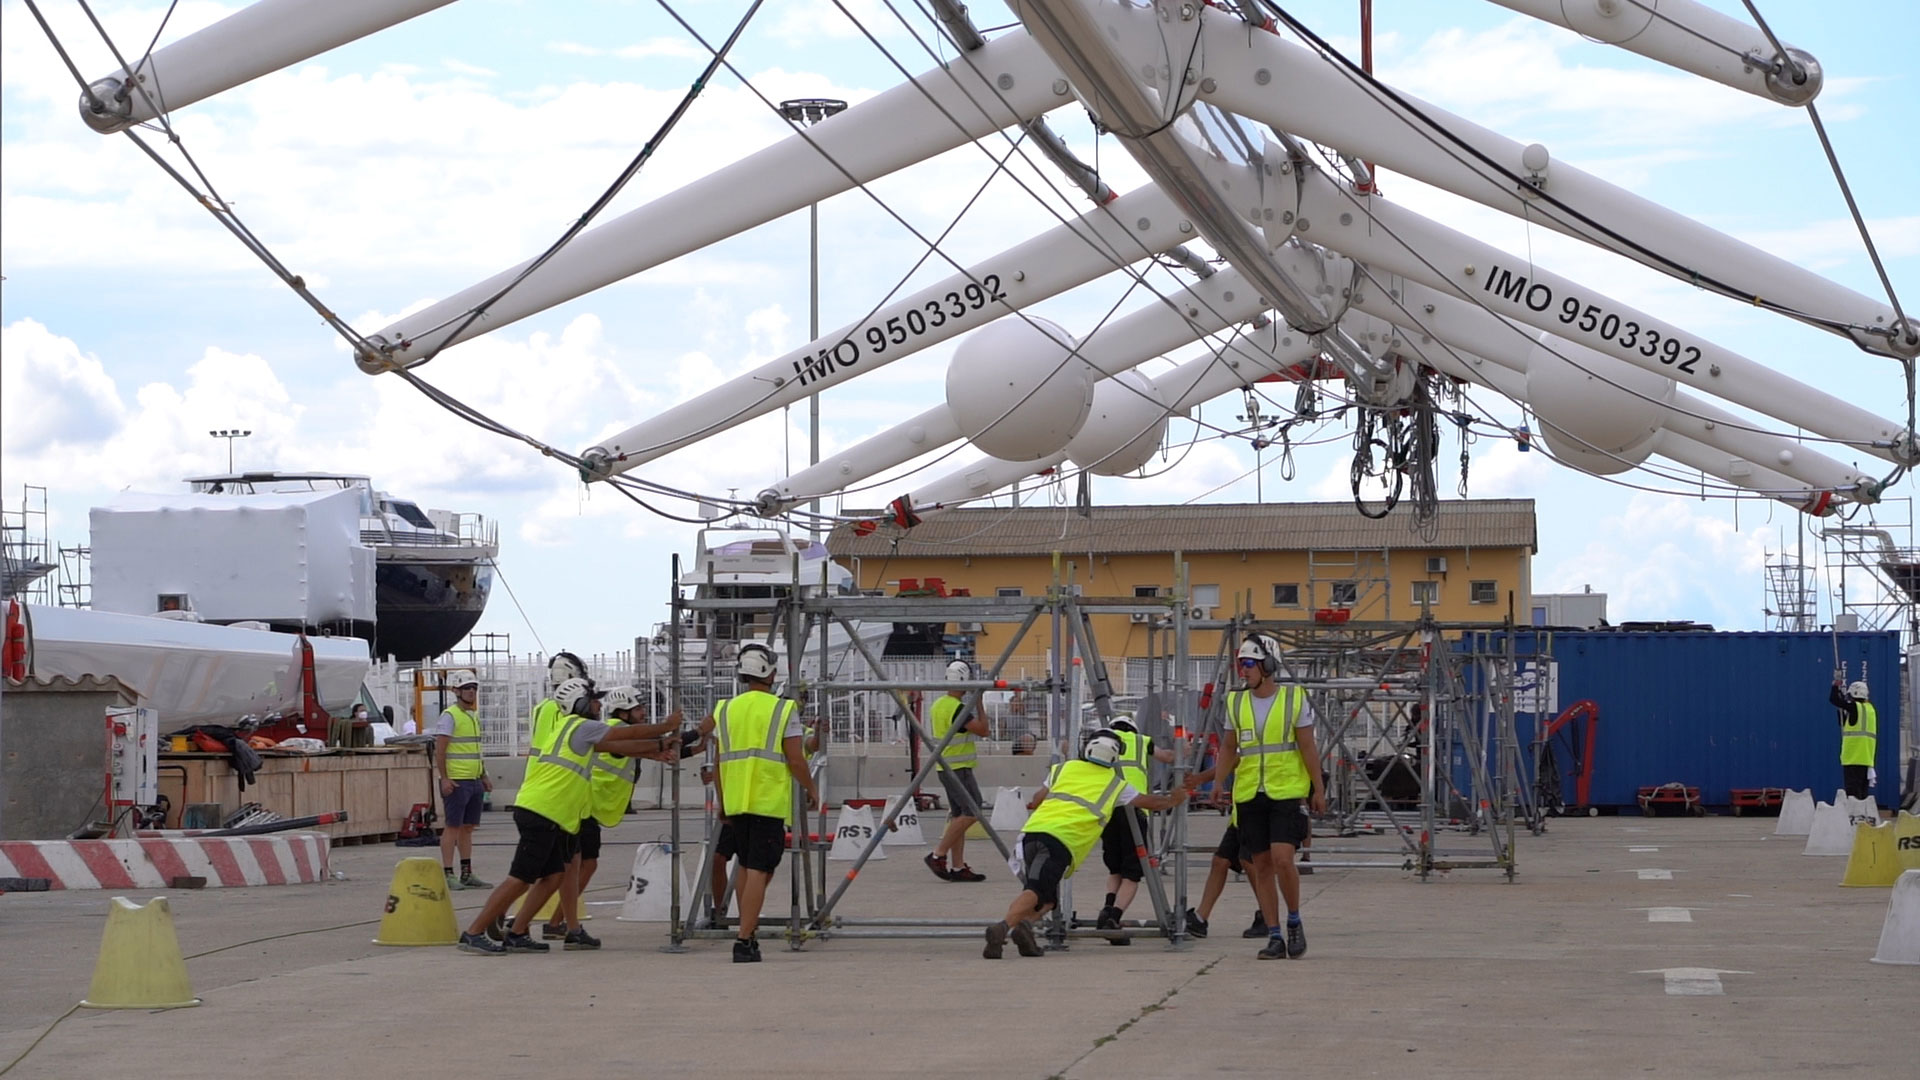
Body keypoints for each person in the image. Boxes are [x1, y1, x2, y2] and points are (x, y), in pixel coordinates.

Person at [457, 677, 683, 955]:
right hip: (541, 811)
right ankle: (473, 932)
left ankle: (517, 933)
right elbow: (622, 737)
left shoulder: (572, 729)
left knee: (553, 876)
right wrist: (665, 728)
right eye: (594, 699)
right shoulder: (581, 726)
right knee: (520, 878)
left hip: (552, 814)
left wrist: (658, 748)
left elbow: (619, 748)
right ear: (580, 703)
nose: (599, 704)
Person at [984, 729, 1181, 959]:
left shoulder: (1063, 769)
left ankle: (1025, 929)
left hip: (1031, 835)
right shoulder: (1115, 784)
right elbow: (1149, 802)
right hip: (1061, 841)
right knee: (1036, 891)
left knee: (1048, 900)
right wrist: (1173, 800)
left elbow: (1037, 799)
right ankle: (1002, 929)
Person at [539, 686, 684, 943]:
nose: (643, 712)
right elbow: (633, 742)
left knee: (569, 868)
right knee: (571, 869)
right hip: (587, 805)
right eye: (638, 708)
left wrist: (660, 751)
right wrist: (668, 730)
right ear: (623, 712)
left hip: (589, 806)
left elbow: (637, 749)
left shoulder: (605, 730)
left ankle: (556, 923)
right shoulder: (611, 729)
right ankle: (554, 922)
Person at [1213, 634, 1324, 960]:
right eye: (1240, 665)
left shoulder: (1293, 698)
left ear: (1268, 665)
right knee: (1260, 865)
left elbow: (1307, 746)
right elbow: (1230, 747)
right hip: (1249, 793)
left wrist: (1318, 788)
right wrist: (1219, 782)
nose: (1243, 671)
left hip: (1286, 790)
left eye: (1248, 664)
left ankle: (1293, 920)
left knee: (1282, 860)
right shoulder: (1235, 702)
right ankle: (1275, 935)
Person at [708, 642, 820, 963]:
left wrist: (722, 800)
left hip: (737, 800)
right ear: (769, 673)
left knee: (747, 868)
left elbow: (717, 762)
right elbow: (796, 759)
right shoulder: (784, 709)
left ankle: (748, 932)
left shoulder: (725, 709)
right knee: (758, 870)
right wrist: (811, 788)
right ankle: (744, 940)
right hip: (766, 800)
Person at [1095, 715, 1179, 943]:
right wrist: (1185, 748)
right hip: (1135, 807)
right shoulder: (1142, 741)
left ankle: (1107, 907)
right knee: (1133, 871)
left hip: (1108, 808)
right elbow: (1169, 757)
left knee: (1115, 868)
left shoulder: (1102, 740)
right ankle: (1114, 917)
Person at [924, 659, 990, 883]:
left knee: (959, 816)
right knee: (973, 811)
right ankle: (938, 854)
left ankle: (958, 866)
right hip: (958, 769)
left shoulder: (938, 704)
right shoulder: (958, 709)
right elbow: (983, 730)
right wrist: (979, 703)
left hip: (946, 767)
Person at [434, 671, 492, 892]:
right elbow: (441, 750)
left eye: (474, 688)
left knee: (467, 828)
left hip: (473, 780)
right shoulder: (450, 716)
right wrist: (445, 778)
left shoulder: (472, 716)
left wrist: (483, 775)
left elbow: (475, 750)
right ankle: (448, 873)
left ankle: (466, 873)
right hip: (457, 781)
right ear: (456, 691)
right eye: (467, 687)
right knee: (452, 827)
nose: (471, 691)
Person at [1829, 677, 1877, 801]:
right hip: (1866, 758)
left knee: (1852, 793)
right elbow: (1845, 723)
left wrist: (1835, 686)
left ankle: (1855, 817)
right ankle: (1863, 817)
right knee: (1862, 792)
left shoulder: (1855, 707)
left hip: (1853, 758)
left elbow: (1834, 700)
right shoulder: (1870, 709)